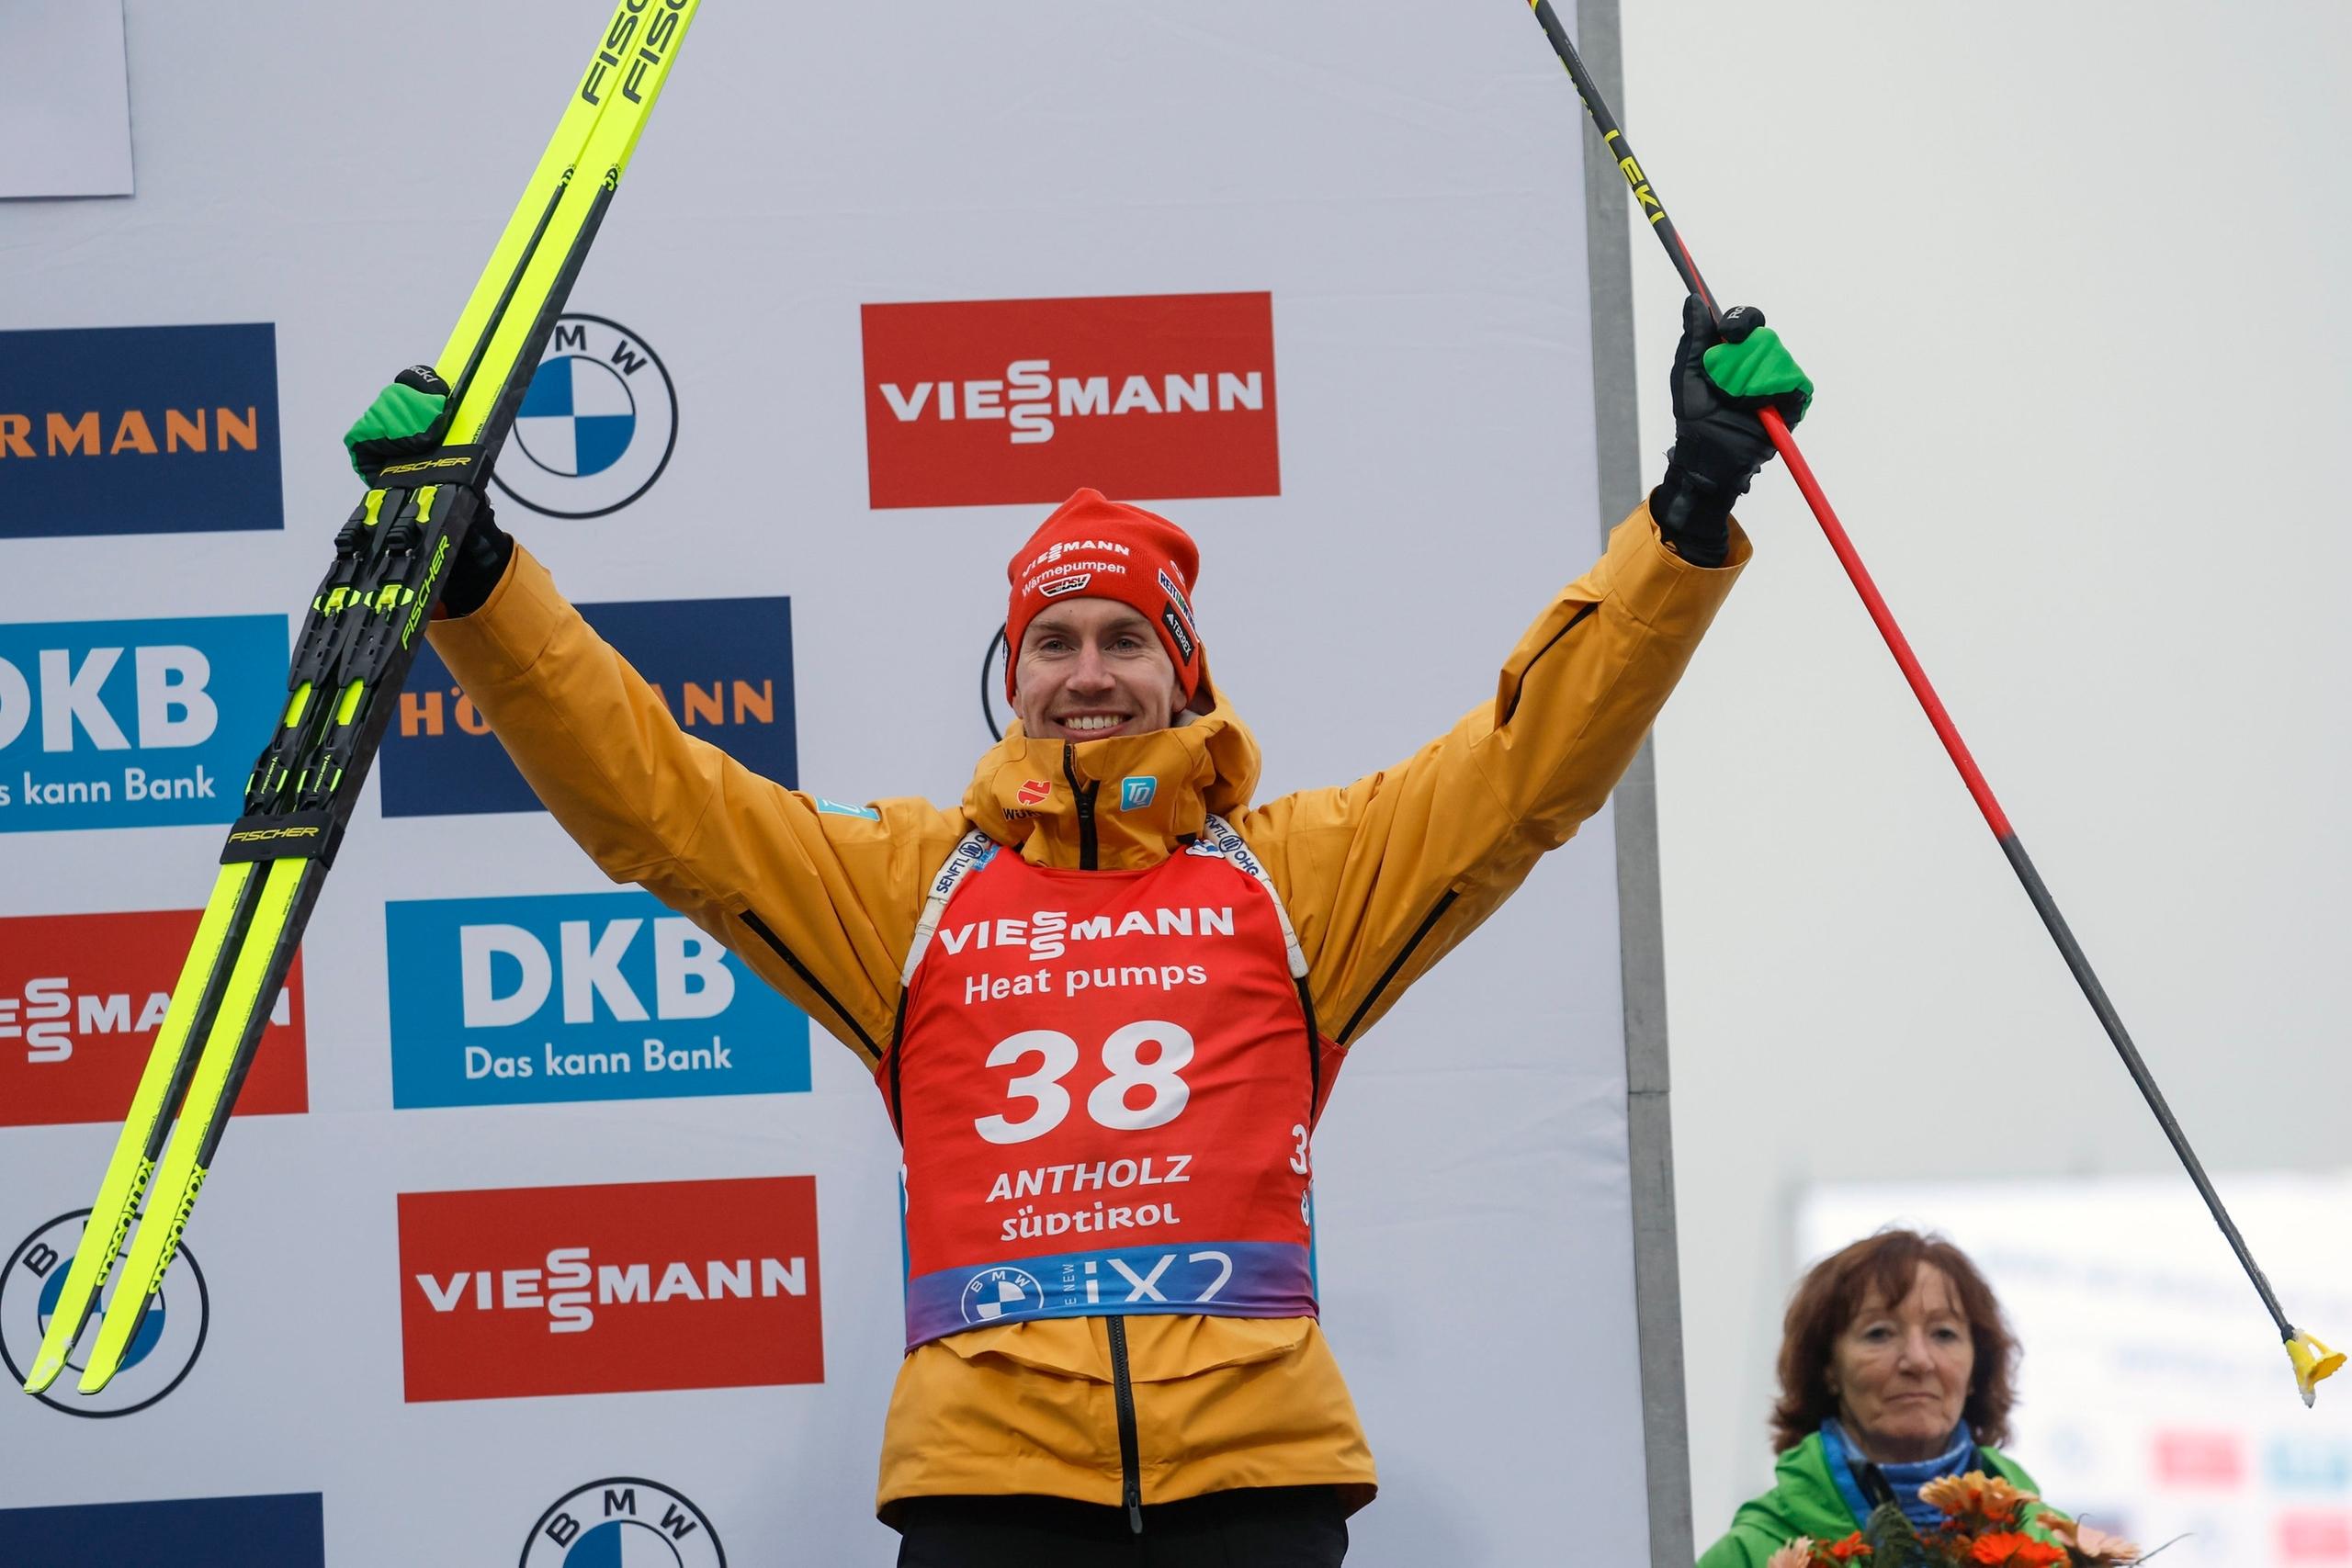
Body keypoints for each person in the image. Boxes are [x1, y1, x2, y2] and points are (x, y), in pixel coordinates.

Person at [345, 295, 1808, 1566]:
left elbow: (1523, 765)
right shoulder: (907, 885)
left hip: (1256, 1475)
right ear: (1014, 669)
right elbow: (654, 796)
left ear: (1182, 672)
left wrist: (1687, 507)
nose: (1088, 673)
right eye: (1056, 640)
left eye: (1123, 641)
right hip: (992, 1486)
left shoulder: (1296, 876)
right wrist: (479, 577)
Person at [1696, 1229, 2064, 1566]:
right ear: (1827, 1368)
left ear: (1976, 1369)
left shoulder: (2061, 1550)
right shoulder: (1750, 1555)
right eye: (1879, 1334)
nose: (1918, 1360)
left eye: (1944, 1334)